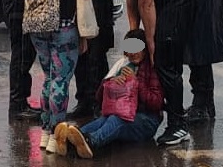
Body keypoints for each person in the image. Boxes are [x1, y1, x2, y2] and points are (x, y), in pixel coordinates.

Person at [96, 0, 195, 147]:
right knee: (153, 54)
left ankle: (178, 125)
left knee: (163, 59)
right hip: (162, 5)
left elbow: (146, 2)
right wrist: (134, 38)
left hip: (177, 5)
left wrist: (149, 42)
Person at [22, 0, 86, 154]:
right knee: (61, 79)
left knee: (49, 77)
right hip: (62, 24)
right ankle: (57, 133)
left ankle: (46, 131)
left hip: (36, 24)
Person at [56, 30, 164, 158]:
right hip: (121, 113)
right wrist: (111, 83)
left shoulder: (151, 68)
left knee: (115, 120)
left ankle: (91, 142)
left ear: (145, 49)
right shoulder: (122, 64)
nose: (132, 53)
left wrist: (137, 83)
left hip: (146, 120)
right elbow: (99, 97)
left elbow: (156, 103)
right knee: (103, 120)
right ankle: (72, 139)